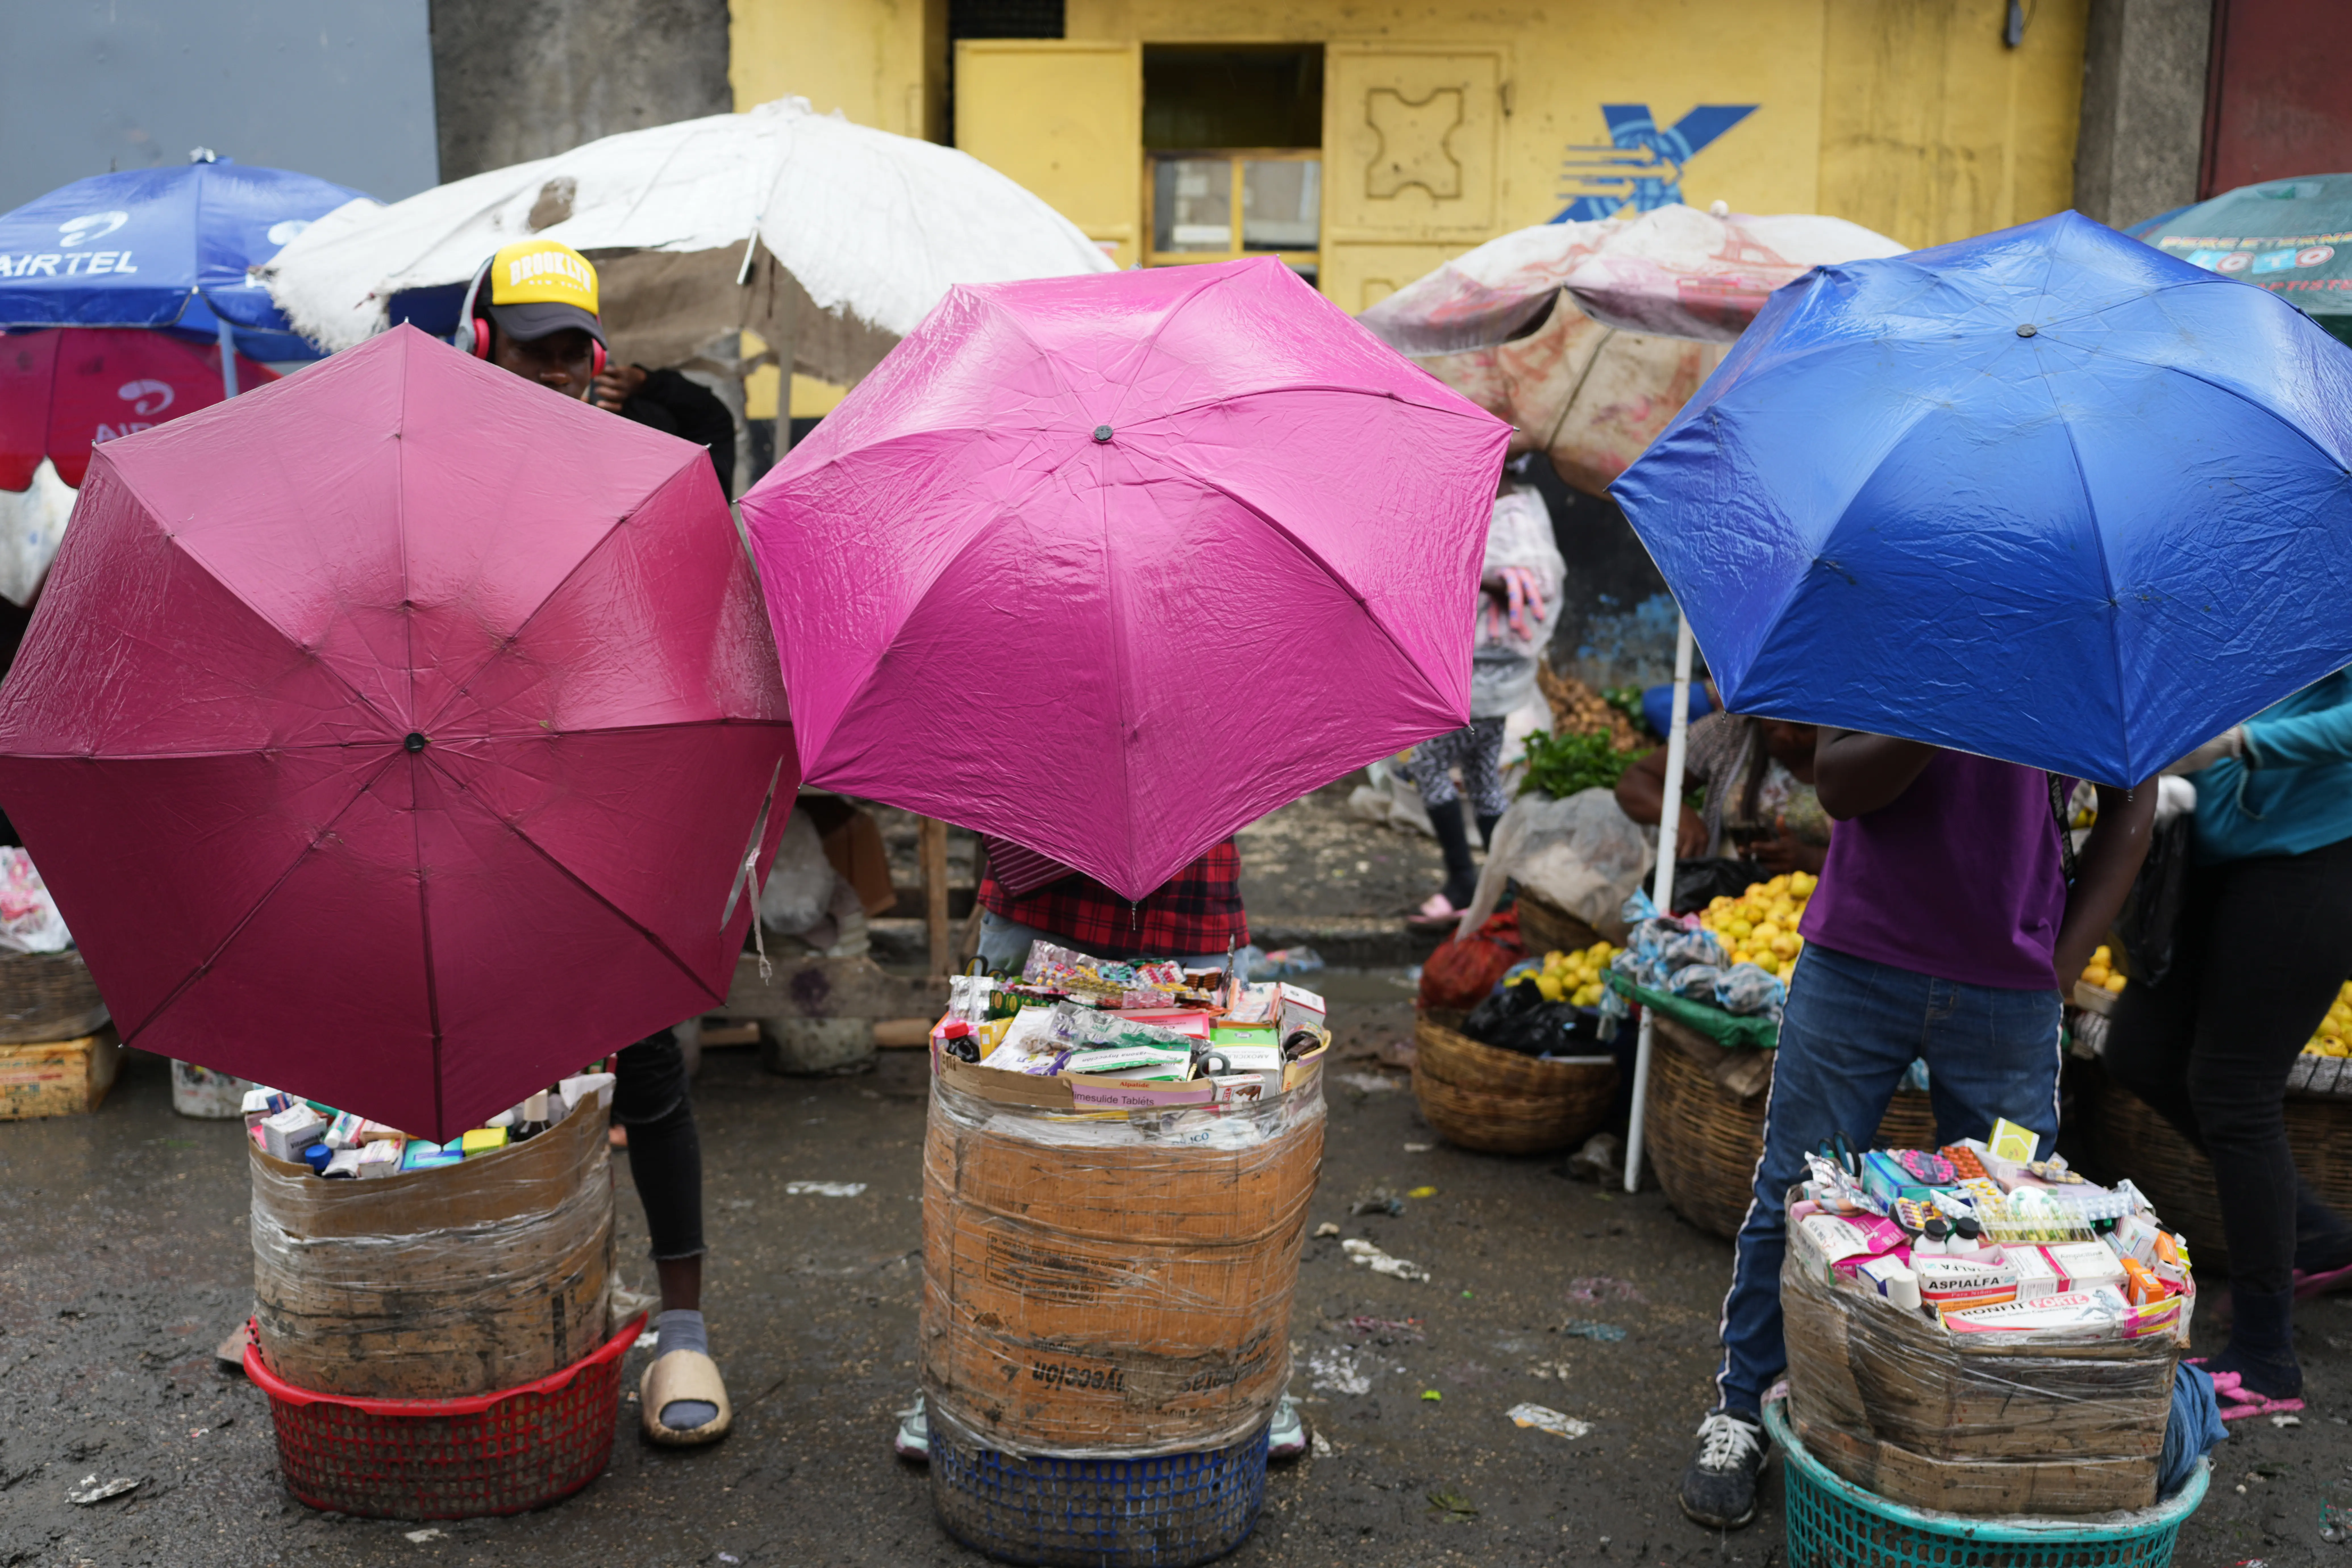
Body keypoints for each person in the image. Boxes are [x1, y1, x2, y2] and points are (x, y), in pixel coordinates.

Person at [1679, 732, 2155, 1529]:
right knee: (1795, 1193)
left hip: (2010, 991)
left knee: (2010, 1229)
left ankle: (1969, 1447)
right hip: (1855, 958)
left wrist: (2060, 964)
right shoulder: (1896, 641)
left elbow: (2132, 798)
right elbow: (1838, 786)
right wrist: (1942, 701)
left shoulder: (2086, 654)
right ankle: (1741, 1407)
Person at [460, 238, 734, 1447]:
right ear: (483, 345)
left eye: (570, 351)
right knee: (478, 1061)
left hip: (599, 793)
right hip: (462, 790)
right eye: (531, 349)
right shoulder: (431, 464)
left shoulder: (632, 470)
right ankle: (476, 1298)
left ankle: (682, 1329)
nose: (552, 372)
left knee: (646, 1055)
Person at [2101, 674, 2352, 1419]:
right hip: (2212, 848)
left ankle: (2265, 1358)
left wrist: (2239, 742)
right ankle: (2315, 1235)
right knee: (2138, 1050)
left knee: (2233, 1089)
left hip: (2310, 853)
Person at [1408, 459, 1566, 925]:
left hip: (1485, 676)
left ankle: (1464, 879)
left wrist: (1470, 571)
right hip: (1482, 672)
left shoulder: (1514, 516)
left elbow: (1539, 582)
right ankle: (1504, 886)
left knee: (1428, 763)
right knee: (1481, 774)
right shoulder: (1502, 508)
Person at [1615, 712, 1830, 880]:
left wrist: (1814, 859)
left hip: (1827, 902)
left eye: (1804, 728)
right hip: (1732, 899)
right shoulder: (1728, 730)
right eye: (1775, 719)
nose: (1784, 734)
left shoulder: (1847, 754)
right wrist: (1680, 817)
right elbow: (1636, 782)